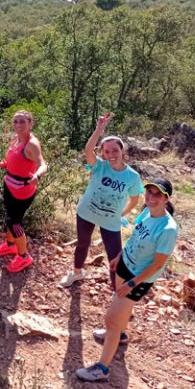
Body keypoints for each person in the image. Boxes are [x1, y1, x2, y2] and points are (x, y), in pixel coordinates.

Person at [76, 179, 178, 382]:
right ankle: (119, 335)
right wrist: (119, 256)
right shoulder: (146, 212)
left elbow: (157, 264)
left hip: (137, 279)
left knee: (111, 319)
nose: (150, 197)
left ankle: (102, 368)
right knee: (119, 312)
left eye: (157, 194)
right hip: (125, 264)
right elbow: (135, 238)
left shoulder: (168, 229)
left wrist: (132, 283)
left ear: (166, 199)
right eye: (149, 192)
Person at [60, 111, 143, 288]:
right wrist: (99, 129)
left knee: (114, 256)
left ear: (122, 151)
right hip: (86, 213)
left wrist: (122, 213)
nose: (111, 154)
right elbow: (88, 150)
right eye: (107, 151)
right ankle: (76, 273)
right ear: (103, 153)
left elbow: (135, 200)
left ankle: (116, 291)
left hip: (111, 221)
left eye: (115, 150)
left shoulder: (132, 176)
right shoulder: (99, 167)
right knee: (82, 244)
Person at [0, 110, 48, 273]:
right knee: (10, 218)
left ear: (30, 123)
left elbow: (43, 164)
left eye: (22, 122)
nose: (18, 125)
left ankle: (23, 257)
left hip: (22, 190)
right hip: (9, 184)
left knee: (15, 222)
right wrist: (7, 163)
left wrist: (37, 175)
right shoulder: (17, 138)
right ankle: (10, 246)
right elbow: (16, 159)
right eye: (16, 121)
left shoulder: (31, 143)